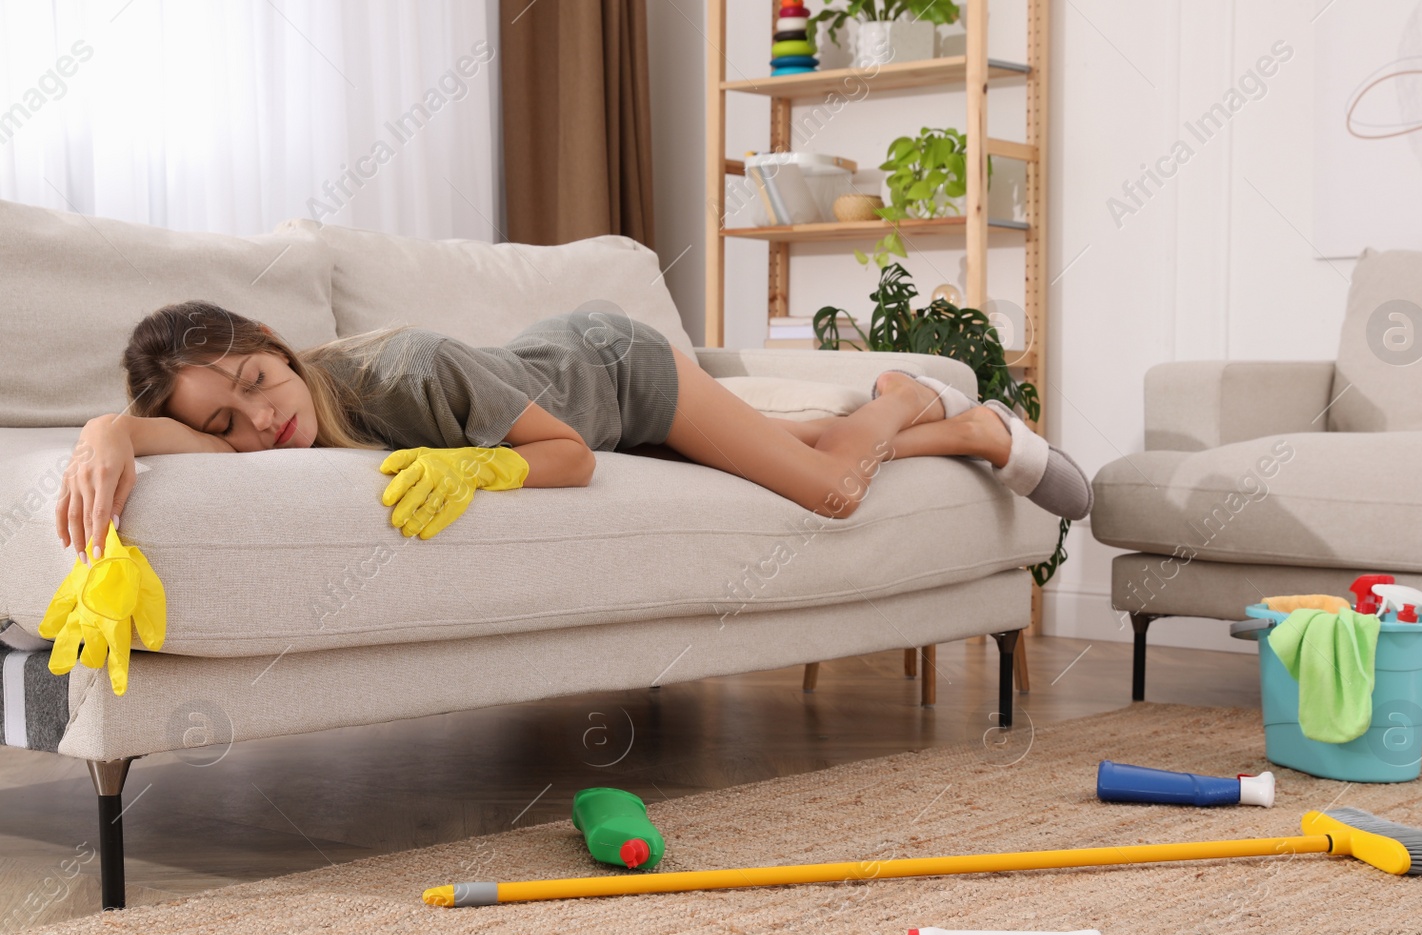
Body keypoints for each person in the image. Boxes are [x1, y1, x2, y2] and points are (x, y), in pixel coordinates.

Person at [55, 300, 1091, 562]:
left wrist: (475, 472)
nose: (259, 424)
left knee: (829, 488)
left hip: (616, 374)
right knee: (816, 444)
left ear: (280, 348)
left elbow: (571, 455)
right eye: (224, 424)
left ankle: (923, 407)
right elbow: (180, 441)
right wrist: (112, 431)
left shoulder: (407, 367)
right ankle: (935, 424)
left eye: (255, 382)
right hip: (558, 379)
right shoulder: (269, 427)